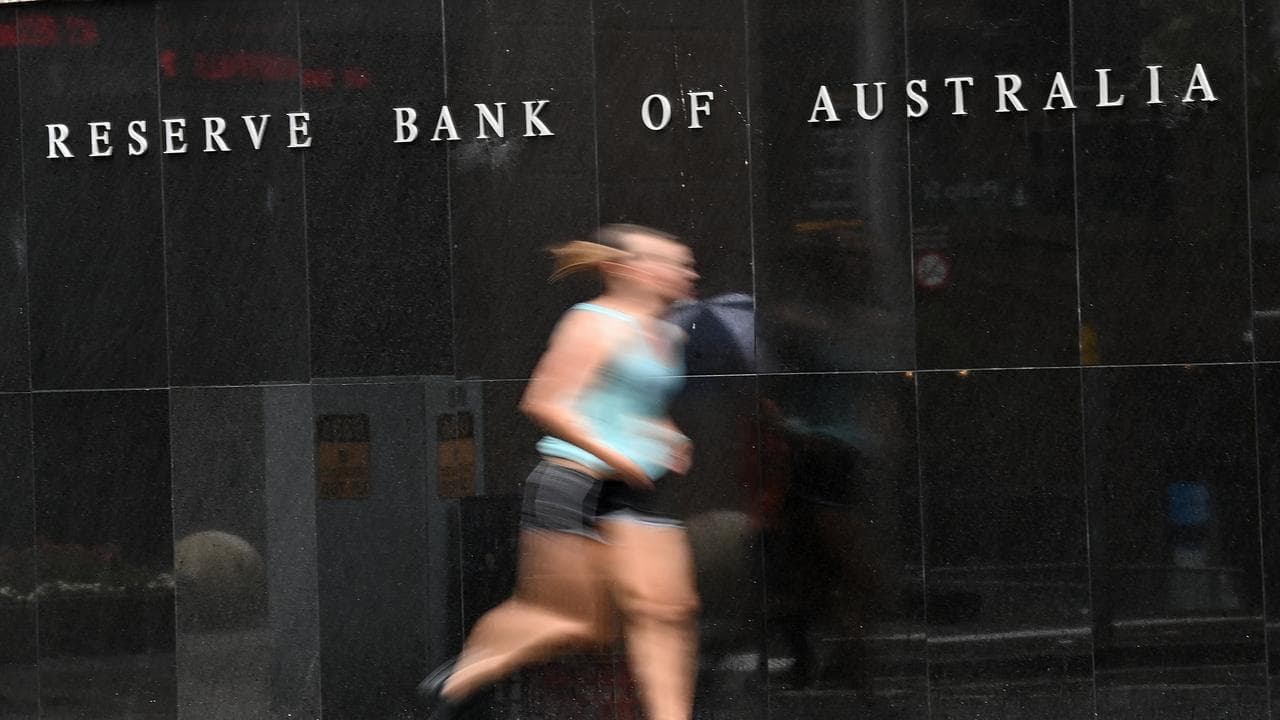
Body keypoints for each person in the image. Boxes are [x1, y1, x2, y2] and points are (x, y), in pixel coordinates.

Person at [419, 224, 702, 720]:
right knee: (572, 623)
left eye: (685, 263)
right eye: (671, 262)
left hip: (636, 489)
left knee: (668, 611)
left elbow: (635, 403)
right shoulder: (590, 322)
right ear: (625, 269)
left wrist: (669, 434)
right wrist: (616, 454)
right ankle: (462, 678)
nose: (686, 272)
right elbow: (545, 403)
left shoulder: (668, 331)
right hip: (578, 482)